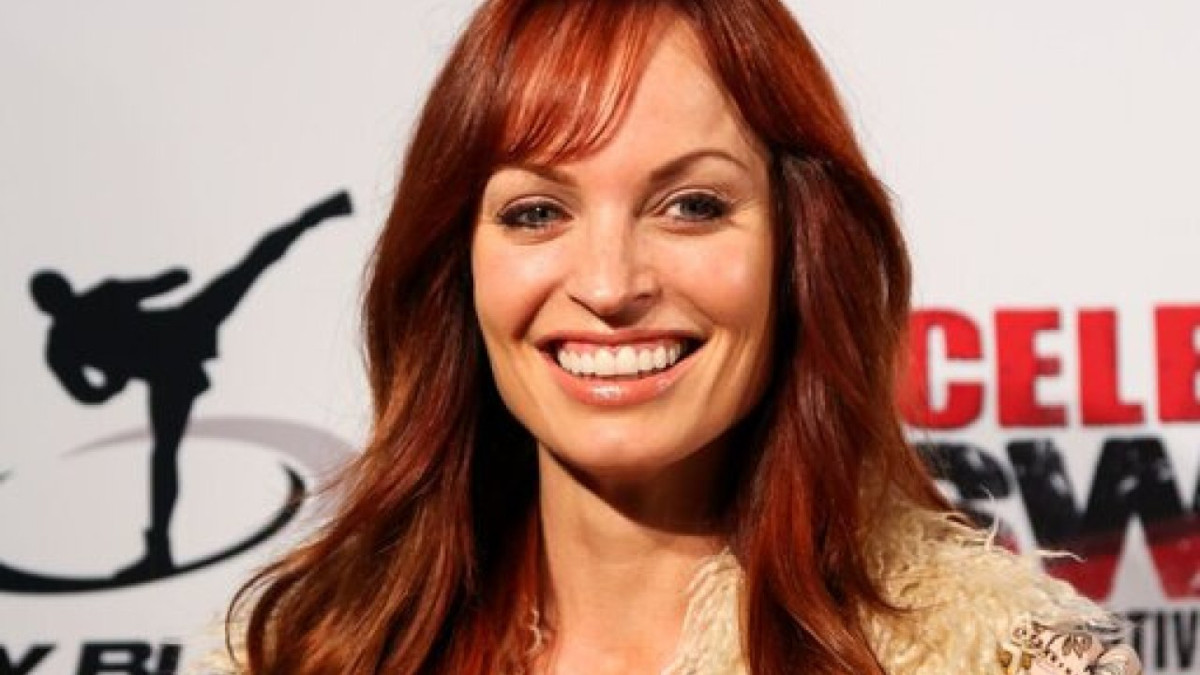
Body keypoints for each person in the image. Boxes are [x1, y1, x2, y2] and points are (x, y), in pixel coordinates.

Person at [202, 1, 1141, 673]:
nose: (609, 284)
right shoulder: (299, 654)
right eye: (536, 212)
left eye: (692, 205)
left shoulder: (1013, 659)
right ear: (459, 267)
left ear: (798, 249)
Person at [31, 191, 351, 582]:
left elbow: (91, 390)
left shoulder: (73, 332)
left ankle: (313, 216)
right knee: (250, 267)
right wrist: (117, 374)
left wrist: (115, 378)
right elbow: (168, 283)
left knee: (250, 267)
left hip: (181, 333)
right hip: (173, 359)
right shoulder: (76, 330)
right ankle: (158, 549)